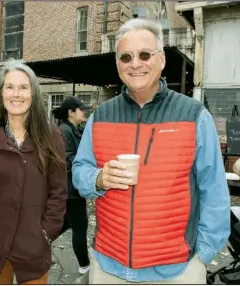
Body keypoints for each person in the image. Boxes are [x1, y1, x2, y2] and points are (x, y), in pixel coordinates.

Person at [72, 18, 231, 284]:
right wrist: (99, 179)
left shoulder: (193, 116)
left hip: (176, 271)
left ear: (161, 60)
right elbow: (79, 173)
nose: (135, 63)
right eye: (126, 57)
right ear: (118, 65)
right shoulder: (100, 116)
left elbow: (214, 190)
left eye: (145, 54)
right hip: (109, 268)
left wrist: (202, 256)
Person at [0, 61, 67, 284]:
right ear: (1, 94)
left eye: (23, 87)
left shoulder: (52, 138)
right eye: (10, 87)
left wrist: (46, 232)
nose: (16, 94)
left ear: (33, 93)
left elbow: (59, 193)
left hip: (33, 246)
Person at [52, 96, 91, 275]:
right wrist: (86, 164)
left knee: (66, 223)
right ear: (71, 112)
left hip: (72, 188)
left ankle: (38, 245)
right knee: (80, 226)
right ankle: (85, 266)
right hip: (70, 190)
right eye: (82, 109)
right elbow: (66, 159)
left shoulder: (74, 129)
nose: (85, 112)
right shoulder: (63, 131)